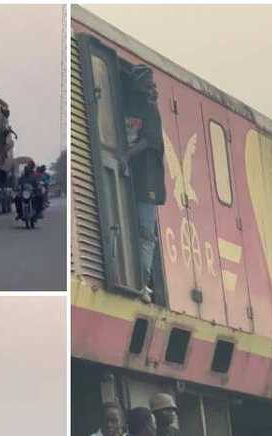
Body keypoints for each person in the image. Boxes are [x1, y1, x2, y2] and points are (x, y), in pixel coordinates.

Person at [122, 64, 167, 303]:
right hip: (129, 176)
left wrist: (126, 155)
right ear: (138, 84)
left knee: (146, 232)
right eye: (148, 83)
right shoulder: (128, 106)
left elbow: (150, 140)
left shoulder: (151, 111)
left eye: (154, 85)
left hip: (147, 179)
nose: (153, 88)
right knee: (129, 226)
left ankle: (142, 282)